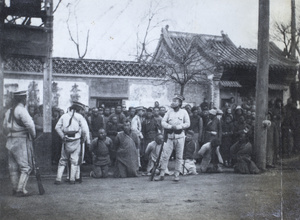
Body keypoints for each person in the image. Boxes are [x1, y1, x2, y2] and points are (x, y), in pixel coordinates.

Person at [3, 91, 36, 197]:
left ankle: (14, 188)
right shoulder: (22, 110)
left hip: (10, 140)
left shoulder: (9, 111)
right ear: (23, 99)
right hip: (21, 140)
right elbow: (30, 125)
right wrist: (33, 135)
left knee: (12, 167)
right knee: (26, 167)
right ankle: (20, 189)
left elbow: (4, 127)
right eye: (25, 99)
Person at [155, 94, 190, 182]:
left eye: (175, 101)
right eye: (173, 101)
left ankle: (176, 175)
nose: (173, 103)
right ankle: (162, 174)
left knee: (179, 157)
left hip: (180, 137)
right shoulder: (169, 112)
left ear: (180, 103)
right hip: (170, 137)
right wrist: (170, 126)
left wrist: (178, 127)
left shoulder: (184, 112)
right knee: (165, 156)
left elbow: (188, 124)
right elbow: (163, 122)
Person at [54, 101, 90, 185]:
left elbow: (57, 127)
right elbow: (85, 130)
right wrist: (84, 139)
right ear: (78, 109)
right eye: (81, 109)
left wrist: (62, 136)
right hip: (77, 140)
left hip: (66, 140)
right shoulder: (80, 117)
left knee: (63, 160)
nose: (82, 111)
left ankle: (58, 179)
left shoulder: (64, 116)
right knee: (74, 160)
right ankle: (72, 179)